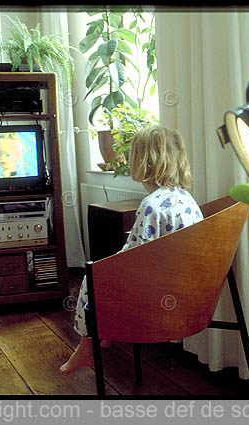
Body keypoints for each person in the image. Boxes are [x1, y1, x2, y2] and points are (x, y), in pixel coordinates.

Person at [59, 126, 203, 375]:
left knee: (90, 280)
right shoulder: (186, 197)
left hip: (155, 292)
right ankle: (99, 337)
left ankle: (87, 345)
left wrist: (107, 266)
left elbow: (134, 257)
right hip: (184, 286)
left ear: (143, 162)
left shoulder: (151, 205)